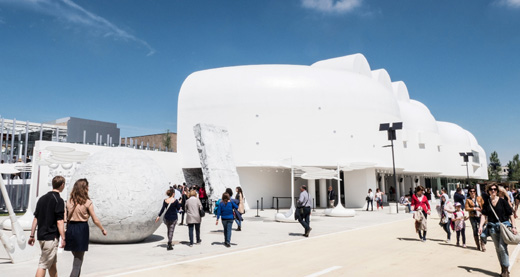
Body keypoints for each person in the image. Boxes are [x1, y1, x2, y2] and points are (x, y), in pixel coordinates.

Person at [65, 178, 107, 277]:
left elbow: (65, 217)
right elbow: (95, 219)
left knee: (77, 259)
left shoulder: (69, 201)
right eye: (87, 187)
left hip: (71, 229)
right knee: (77, 263)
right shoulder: (87, 202)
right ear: (84, 188)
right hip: (81, 229)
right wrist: (102, 229)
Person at [28, 176, 66, 277]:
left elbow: (36, 218)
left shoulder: (41, 199)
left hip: (41, 236)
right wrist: (63, 237)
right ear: (62, 185)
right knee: (43, 264)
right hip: (51, 237)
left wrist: (32, 235)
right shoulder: (59, 200)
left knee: (52, 264)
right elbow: (60, 221)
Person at [479, 183, 517, 277]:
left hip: (503, 227)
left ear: (497, 191)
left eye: (495, 189)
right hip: (492, 228)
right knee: (498, 249)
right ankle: (503, 269)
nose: (493, 191)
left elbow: (510, 214)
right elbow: (484, 215)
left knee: (502, 248)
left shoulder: (502, 201)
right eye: (491, 189)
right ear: (488, 191)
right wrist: (480, 226)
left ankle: (506, 270)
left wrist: (514, 227)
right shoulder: (487, 202)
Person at [465, 187, 485, 251]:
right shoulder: (468, 200)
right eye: (471, 191)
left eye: (474, 191)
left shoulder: (479, 198)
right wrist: (474, 208)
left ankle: (483, 244)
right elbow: (466, 208)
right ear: (469, 192)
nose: (472, 192)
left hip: (480, 216)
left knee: (481, 229)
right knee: (475, 230)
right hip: (472, 216)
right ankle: (478, 245)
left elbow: (484, 205)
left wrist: (482, 210)